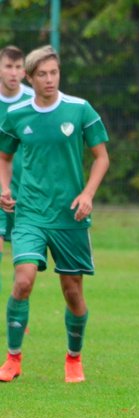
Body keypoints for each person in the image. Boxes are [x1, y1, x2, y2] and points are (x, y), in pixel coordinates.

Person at [0, 45, 110, 383]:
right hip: (30, 213)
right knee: (23, 281)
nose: (50, 79)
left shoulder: (79, 109)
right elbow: (3, 157)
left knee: (73, 293)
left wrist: (87, 194)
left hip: (69, 216)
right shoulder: (17, 114)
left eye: (54, 73)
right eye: (42, 74)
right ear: (30, 78)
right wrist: (4, 189)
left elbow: (102, 158)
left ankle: (74, 358)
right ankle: (13, 359)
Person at [0, 46, 34, 278]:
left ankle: (19, 298)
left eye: (18, 67)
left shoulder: (34, 101)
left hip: (25, 189)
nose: (13, 72)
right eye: (8, 66)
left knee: (23, 261)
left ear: (24, 71)